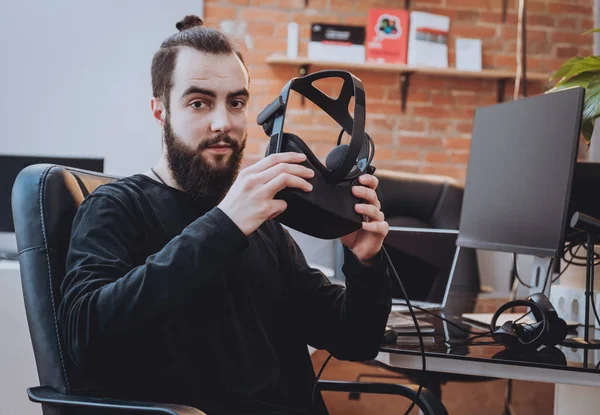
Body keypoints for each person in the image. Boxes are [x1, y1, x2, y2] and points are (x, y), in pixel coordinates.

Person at [58, 15, 392, 415]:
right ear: (159, 111)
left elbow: (355, 340)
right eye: (199, 103)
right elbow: (85, 338)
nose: (223, 124)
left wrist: (365, 262)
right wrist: (225, 224)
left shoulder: (263, 221)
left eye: (236, 103)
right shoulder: (117, 207)